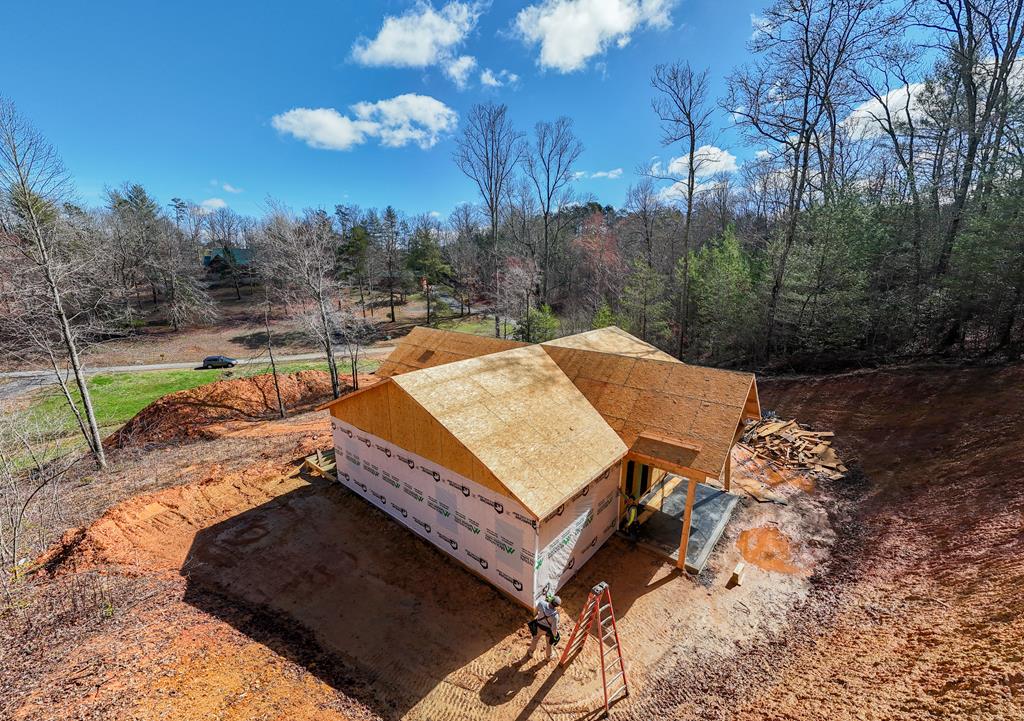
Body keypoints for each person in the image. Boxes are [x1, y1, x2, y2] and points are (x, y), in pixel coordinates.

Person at [524, 594, 561, 661]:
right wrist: (555, 636)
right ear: (557, 606)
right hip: (548, 632)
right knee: (549, 644)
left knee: (535, 639)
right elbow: (554, 629)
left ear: (550, 600)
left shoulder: (541, 603)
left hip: (538, 627)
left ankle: (531, 652)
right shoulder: (556, 616)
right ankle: (548, 657)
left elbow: (535, 612)